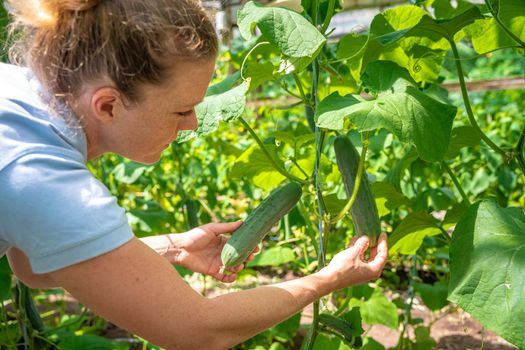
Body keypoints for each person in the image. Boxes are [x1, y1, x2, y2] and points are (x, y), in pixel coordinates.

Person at [0, 0, 389, 349]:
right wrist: (329, 278)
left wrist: (174, 248)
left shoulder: (24, 98)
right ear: (108, 105)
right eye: (181, 110)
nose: (192, 124)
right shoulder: (38, 173)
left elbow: (34, 265)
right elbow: (199, 332)